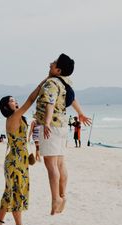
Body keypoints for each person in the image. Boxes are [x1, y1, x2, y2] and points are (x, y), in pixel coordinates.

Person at [34, 53, 91, 215]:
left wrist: (45, 122)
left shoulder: (52, 83)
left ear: (58, 70)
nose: (50, 63)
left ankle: (56, 199)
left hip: (51, 127)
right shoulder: (66, 81)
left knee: (51, 165)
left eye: (53, 63)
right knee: (60, 163)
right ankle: (62, 195)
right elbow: (72, 99)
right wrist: (80, 113)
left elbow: (50, 103)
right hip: (62, 127)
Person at [0, 82, 44, 225]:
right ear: (7, 106)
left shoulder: (18, 118)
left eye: (15, 100)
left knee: (9, 193)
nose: (15, 101)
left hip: (19, 160)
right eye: (12, 100)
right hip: (15, 162)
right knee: (17, 194)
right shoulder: (14, 117)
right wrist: (41, 85)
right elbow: (30, 100)